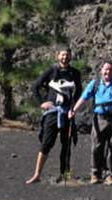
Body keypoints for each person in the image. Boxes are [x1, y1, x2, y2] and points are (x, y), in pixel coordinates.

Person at [26, 46, 83, 184]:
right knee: (46, 143)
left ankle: (65, 175)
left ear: (71, 56)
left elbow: (79, 91)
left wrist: (73, 108)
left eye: (67, 55)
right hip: (52, 113)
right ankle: (37, 174)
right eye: (63, 55)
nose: (65, 58)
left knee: (67, 145)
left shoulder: (75, 73)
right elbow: (35, 86)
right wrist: (42, 102)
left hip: (67, 114)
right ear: (58, 56)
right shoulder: (51, 71)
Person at [69, 60, 112, 185]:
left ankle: (110, 174)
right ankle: (95, 173)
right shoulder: (95, 84)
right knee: (97, 146)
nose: (108, 72)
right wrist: (73, 111)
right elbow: (83, 98)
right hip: (98, 118)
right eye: (106, 69)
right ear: (101, 71)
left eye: (110, 69)